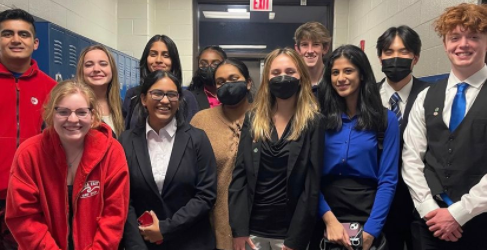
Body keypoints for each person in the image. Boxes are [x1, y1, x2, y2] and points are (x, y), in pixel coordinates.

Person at [5, 80, 130, 250]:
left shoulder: (112, 152)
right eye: (63, 112)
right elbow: (24, 217)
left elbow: (114, 216)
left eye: (81, 112)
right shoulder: (29, 154)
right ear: (51, 114)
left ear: (92, 116)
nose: (72, 119)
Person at [402, 3, 487, 250]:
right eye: (455, 37)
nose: (463, 44)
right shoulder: (426, 97)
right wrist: (430, 210)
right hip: (430, 226)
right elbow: (411, 160)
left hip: (480, 223)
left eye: (473, 37)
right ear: (445, 44)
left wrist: (458, 213)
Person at [229, 48, 324, 250]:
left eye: (290, 72)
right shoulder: (252, 119)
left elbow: (311, 186)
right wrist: (239, 231)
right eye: (276, 73)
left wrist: (295, 240)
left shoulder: (313, 122)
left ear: (301, 77)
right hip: (252, 233)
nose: (282, 77)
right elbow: (240, 178)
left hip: (289, 234)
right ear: (267, 79)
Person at [312, 45, 399, 250]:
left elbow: (388, 180)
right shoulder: (319, 120)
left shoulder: (386, 120)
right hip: (324, 210)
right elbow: (310, 176)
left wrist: (371, 231)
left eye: (348, 71)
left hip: (368, 212)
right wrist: (329, 221)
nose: (341, 78)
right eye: (335, 72)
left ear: (362, 74)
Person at [120, 70, 217, 250]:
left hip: (191, 242)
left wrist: (165, 228)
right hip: (144, 244)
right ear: (143, 99)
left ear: (179, 101)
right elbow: (125, 199)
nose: (165, 100)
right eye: (157, 93)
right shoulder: (126, 141)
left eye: (172, 95)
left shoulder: (197, 139)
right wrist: (136, 245)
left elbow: (206, 195)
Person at [0, 8, 57, 249]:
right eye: (7, 33)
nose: (15, 39)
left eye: (23, 34)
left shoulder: (51, 88)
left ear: (35, 43)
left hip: (28, 198)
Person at [376, 25, 429, 250]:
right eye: (389, 52)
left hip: (419, 203)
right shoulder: (365, 96)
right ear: (380, 57)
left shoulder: (432, 95)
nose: (395, 58)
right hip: (377, 200)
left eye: (404, 52)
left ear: (415, 58)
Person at [191, 58, 253, 250]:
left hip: (258, 227)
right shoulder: (201, 121)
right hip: (213, 228)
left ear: (248, 83)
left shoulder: (265, 117)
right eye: (220, 82)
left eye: (234, 78)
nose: (227, 85)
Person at [122, 34, 199, 129]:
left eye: (166, 55)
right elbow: (126, 132)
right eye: (153, 54)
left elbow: (193, 136)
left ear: (173, 61)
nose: (158, 60)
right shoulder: (133, 95)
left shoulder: (187, 98)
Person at [76, 44, 124, 137]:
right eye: (89, 65)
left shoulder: (122, 107)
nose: (96, 69)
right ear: (81, 71)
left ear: (112, 69)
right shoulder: (73, 106)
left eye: (103, 64)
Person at [294, 21, 331, 96]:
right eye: (304, 45)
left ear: (325, 48)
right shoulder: (293, 82)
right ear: (297, 49)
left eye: (316, 44)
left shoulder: (334, 79)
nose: (310, 51)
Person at [188, 45, 227, 110]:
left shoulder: (234, 94)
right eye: (203, 64)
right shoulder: (190, 97)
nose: (209, 68)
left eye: (215, 64)